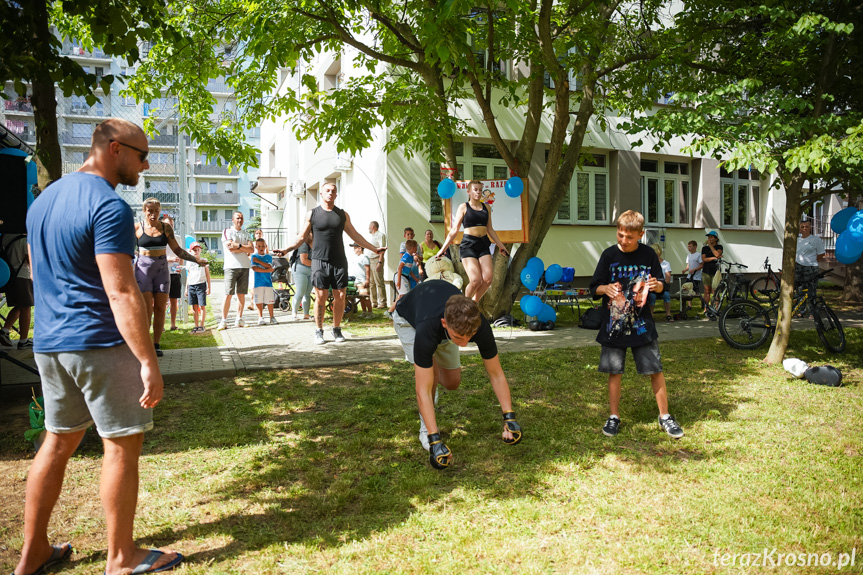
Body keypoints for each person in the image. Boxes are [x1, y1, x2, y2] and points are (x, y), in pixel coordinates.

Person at [16, 118, 183, 575]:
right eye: (141, 154)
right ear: (114, 148)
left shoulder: (43, 202)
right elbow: (123, 291)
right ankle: (121, 557)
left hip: (51, 345)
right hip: (99, 342)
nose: (146, 164)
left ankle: (32, 553)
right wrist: (148, 359)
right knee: (121, 445)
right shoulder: (108, 207)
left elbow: (39, 272)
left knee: (56, 442)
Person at [392, 280, 523, 469]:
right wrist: (435, 441)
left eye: (469, 338)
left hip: (442, 327)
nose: (465, 343)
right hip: (409, 322)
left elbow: (496, 374)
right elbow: (422, 390)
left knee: (453, 382)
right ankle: (426, 432)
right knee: (430, 379)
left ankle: (431, 363)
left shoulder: (476, 325)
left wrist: (510, 418)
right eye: (460, 339)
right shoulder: (427, 329)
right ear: (445, 323)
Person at [589, 210, 684, 440]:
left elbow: (662, 285)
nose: (623, 240)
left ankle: (665, 416)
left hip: (642, 324)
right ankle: (614, 417)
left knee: (655, 369)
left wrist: (657, 285)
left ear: (641, 235)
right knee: (614, 371)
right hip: (614, 325)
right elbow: (594, 288)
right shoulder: (609, 255)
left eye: (629, 237)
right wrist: (605, 289)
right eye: (620, 235)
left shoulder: (649, 254)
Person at [282, 182, 386, 345]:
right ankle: (319, 330)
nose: (331, 193)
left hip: (338, 261)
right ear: (321, 194)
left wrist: (374, 249)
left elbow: (355, 236)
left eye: (334, 191)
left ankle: (336, 329)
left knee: (341, 296)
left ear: (336, 195)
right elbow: (302, 237)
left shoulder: (342, 215)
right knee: (321, 296)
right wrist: (286, 249)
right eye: (327, 191)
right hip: (319, 260)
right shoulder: (312, 214)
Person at [134, 199, 207, 357]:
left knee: (160, 309)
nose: (153, 214)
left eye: (156, 211)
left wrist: (196, 259)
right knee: (146, 310)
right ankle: (145, 345)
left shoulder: (165, 227)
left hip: (162, 273)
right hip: (143, 274)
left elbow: (177, 250)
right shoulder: (138, 227)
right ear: (144, 211)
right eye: (150, 211)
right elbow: (125, 249)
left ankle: (156, 344)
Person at [436, 180, 510, 302]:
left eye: (480, 190)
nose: (478, 192)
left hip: (483, 244)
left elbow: (490, 229)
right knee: (475, 280)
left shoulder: (486, 207)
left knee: (488, 279)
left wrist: (501, 246)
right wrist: (442, 250)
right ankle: (464, 303)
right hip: (468, 245)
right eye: (475, 190)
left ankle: (473, 304)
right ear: (469, 191)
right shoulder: (464, 207)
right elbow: (454, 230)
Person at [218, 212, 254, 330]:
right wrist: (243, 248)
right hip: (231, 266)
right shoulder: (227, 231)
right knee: (228, 294)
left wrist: (237, 246)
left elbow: (252, 249)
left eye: (242, 218)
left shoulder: (246, 233)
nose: (240, 220)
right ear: (233, 219)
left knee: (241, 294)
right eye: (238, 218)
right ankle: (223, 320)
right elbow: (230, 248)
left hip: (244, 266)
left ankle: (239, 319)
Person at [0, 232, 33, 348]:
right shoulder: (25, 240)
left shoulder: (5, 237)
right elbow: (30, 260)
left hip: (8, 276)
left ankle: (4, 330)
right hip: (22, 276)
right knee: (26, 307)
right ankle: (24, 340)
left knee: (20, 306)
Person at [795, 219, 825, 310]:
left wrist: (811, 261)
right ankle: (801, 311)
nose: (804, 228)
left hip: (811, 267)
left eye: (806, 226)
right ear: (799, 229)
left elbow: (821, 254)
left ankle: (812, 312)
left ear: (810, 228)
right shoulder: (797, 240)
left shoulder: (816, 239)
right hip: (798, 267)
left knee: (811, 290)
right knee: (800, 290)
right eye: (802, 227)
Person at [185, 242, 211, 334]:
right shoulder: (189, 262)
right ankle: (196, 326)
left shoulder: (204, 260)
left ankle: (201, 325)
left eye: (198, 250)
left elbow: (208, 274)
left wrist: (209, 287)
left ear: (200, 250)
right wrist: (186, 288)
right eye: (194, 250)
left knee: (202, 305)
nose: (196, 251)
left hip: (201, 285)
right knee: (194, 306)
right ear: (191, 251)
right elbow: (189, 275)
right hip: (192, 285)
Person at [251, 238, 278, 325]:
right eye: (259, 246)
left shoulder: (268, 256)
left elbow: (268, 265)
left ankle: (272, 317)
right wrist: (267, 270)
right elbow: (255, 268)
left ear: (265, 246)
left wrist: (259, 262)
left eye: (263, 246)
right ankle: (260, 317)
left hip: (268, 283)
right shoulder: (253, 256)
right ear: (256, 247)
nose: (261, 248)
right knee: (259, 301)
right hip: (258, 283)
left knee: (270, 301)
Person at [162, 214, 182, 331]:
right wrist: (170, 259)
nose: (170, 227)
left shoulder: (177, 238)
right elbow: (157, 257)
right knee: (163, 300)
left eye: (172, 225)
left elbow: (181, 254)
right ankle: (162, 325)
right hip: (163, 272)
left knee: (174, 299)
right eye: (168, 225)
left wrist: (181, 266)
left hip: (175, 272)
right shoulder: (159, 239)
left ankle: (173, 324)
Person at [647, 243, 674, 322]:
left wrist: (660, 284)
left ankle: (668, 315)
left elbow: (667, 280)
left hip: (663, 287)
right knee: (652, 296)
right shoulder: (649, 264)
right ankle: (651, 315)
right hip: (652, 288)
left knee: (666, 295)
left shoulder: (666, 264)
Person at [350, 243, 374, 319]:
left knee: (365, 297)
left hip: (362, 280)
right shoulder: (356, 257)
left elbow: (367, 269)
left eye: (355, 248)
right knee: (361, 298)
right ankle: (364, 312)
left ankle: (370, 312)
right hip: (357, 280)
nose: (354, 250)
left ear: (360, 248)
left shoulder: (364, 257)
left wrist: (367, 279)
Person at [366, 221, 387, 309]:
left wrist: (380, 262)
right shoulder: (373, 236)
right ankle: (373, 302)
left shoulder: (380, 235)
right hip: (370, 260)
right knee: (372, 283)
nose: (368, 228)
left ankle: (382, 302)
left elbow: (382, 249)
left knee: (379, 282)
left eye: (369, 226)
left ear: (373, 227)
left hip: (376, 260)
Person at [701, 231, 723, 310]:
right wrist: (714, 258)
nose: (709, 239)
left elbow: (717, 254)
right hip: (706, 271)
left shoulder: (719, 247)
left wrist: (710, 245)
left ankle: (716, 308)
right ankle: (706, 308)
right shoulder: (704, 248)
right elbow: (704, 259)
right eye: (708, 237)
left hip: (716, 272)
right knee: (707, 291)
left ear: (716, 239)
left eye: (711, 237)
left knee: (715, 291)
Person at [291, 240, 313, 321]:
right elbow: (304, 260)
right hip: (300, 269)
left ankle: (306, 314)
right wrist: (317, 263)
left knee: (307, 293)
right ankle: (294, 314)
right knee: (300, 292)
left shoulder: (317, 243)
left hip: (311, 270)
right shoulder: (304, 244)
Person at [682, 239, 703, 311]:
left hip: (696, 277)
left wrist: (694, 269)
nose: (689, 248)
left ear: (695, 246)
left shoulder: (698, 255)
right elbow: (688, 265)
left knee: (696, 292)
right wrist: (685, 270)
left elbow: (701, 265)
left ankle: (703, 303)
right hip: (689, 276)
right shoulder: (688, 255)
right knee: (688, 290)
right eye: (688, 246)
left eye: (690, 246)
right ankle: (689, 306)